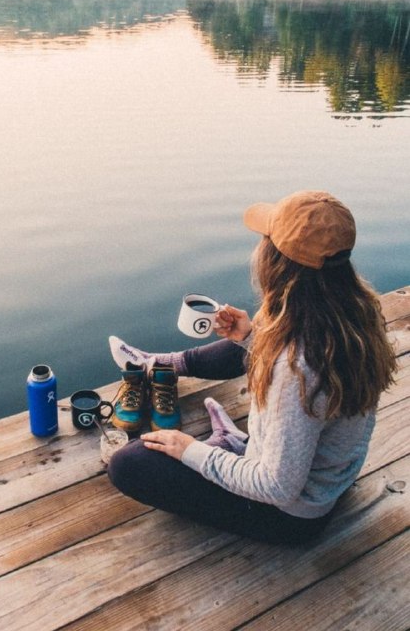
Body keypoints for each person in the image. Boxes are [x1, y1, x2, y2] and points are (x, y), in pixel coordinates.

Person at [106, 191, 398, 544]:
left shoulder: (299, 368)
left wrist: (192, 450)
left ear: (278, 262)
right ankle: (159, 366)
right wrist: (249, 337)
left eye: (266, 240)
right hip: (328, 479)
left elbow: (276, 487)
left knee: (129, 464)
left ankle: (228, 444)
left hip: (292, 516)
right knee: (261, 335)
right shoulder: (357, 312)